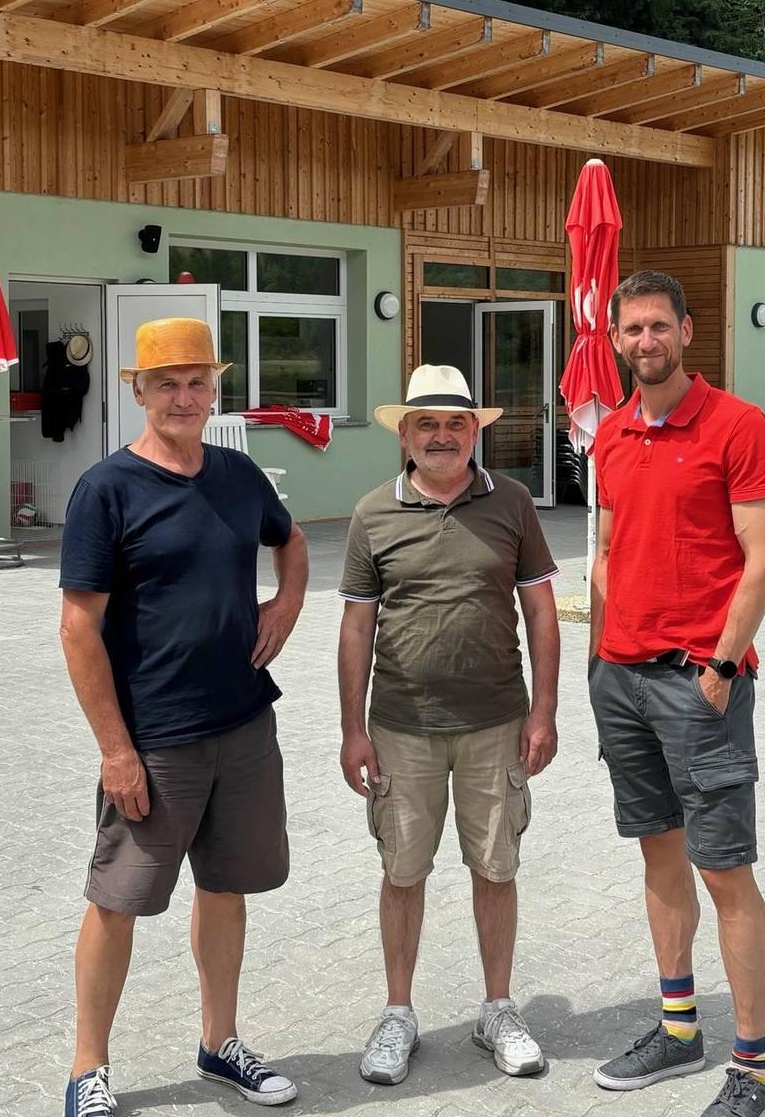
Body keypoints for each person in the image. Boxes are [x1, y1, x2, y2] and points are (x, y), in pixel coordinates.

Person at [58, 318, 309, 1116]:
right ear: (137, 390)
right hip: (153, 737)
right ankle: (87, 1066)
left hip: (241, 723)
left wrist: (288, 604)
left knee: (227, 886)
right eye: (166, 383)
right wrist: (115, 750)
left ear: (214, 389)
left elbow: (292, 541)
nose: (184, 397)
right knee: (117, 900)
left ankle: (219, 1042)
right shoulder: (107, 489)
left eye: (197, 381)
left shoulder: (237, 474)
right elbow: (77, 626)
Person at [586, 271, 765, 1117]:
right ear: (617, 339)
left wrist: (724, 665)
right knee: (658, 854)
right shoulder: (611, 435)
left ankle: (752, 1067)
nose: (644, 341)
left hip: (698, 681)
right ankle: (677, 1028)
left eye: (658, 326)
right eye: (631, 329)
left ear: (686, 331)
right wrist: (599, 658)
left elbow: (763, 556)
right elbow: (603, 550)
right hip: (620, 679)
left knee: (723, 870)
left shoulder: (736, 424)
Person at [337, 364, 562, 1087]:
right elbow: (355, 627)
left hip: (497, 721)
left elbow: (542, 613)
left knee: (496, 866)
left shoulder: (515, 504)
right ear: (404, 434)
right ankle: (398, 1013)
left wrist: (545, 710)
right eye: (427, 424)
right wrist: (352, 728)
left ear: (475, 433)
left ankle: (497, 1008)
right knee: (403, 871)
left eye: (455, 424)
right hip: (401, 725)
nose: (441, 436)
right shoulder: (373, 512)